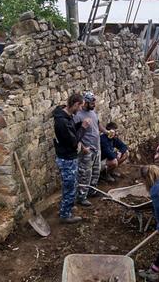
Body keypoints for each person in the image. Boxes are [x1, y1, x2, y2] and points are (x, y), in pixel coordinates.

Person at [53, 93, 90, 224]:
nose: (81, 109)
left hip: (67, 156)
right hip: (67, 158)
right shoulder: (62, 121)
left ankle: (66, 207)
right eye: (80, 106)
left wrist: (79, 124)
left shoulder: (66, 117)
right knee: (70, 186)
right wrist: (84, 128)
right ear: (75, 104)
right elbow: (73, 141)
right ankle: (65, 215)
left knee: (69, 185)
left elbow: (72, 131)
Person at [73, 91, 107, 207]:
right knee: (85, 174)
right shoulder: (78, 116)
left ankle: (92, 191)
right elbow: (75, 135)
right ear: (85, 102)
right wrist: (83, 148)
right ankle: (82, 197)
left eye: (94, 102)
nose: (94, 104)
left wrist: (106, 132)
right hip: (87, 150)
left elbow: (98, 124)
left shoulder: (92, 112)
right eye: (92, 102)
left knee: (95, 172)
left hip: (97, 148)